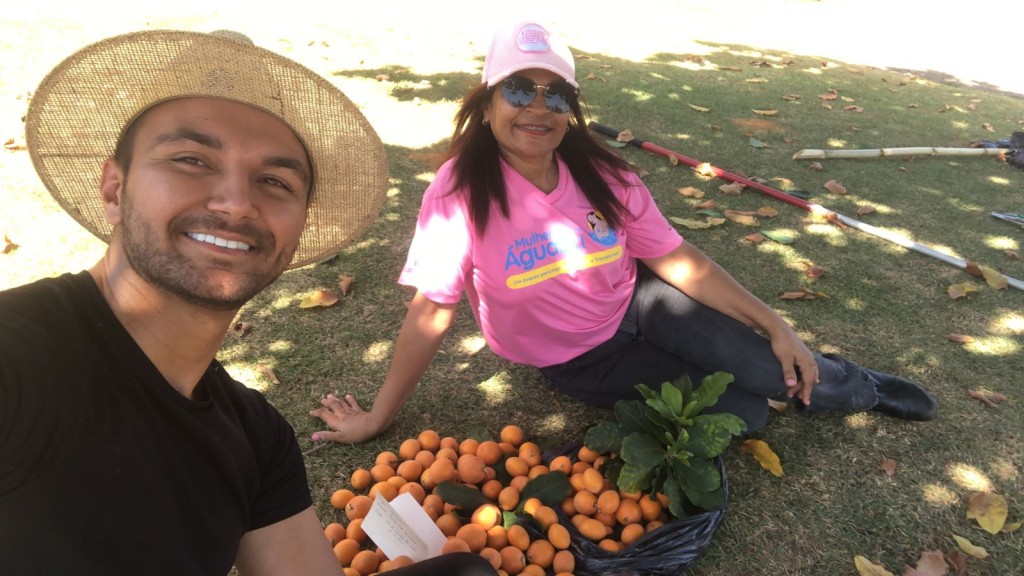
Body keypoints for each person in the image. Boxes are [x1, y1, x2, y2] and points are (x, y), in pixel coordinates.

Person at [0, 29, 495, 576]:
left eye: (274, 181)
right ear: (115, 190)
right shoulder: (18, 360)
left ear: (299, 226)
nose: (237, 204)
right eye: (191, 159)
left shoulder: (256, 439)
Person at [310, 21, 938, 445]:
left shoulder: (602, 170)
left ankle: (860, 386)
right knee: (745, 414)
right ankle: (781, 388)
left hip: (641, 301)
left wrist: (775, 323)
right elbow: (431, 310)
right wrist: (377, 417)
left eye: (557, 97)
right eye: (520, 89)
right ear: (488, 97)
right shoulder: (459, 188)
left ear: (571, 108)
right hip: (575, 357)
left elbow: (674, 256)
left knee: (776, 368)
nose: (538, 109)